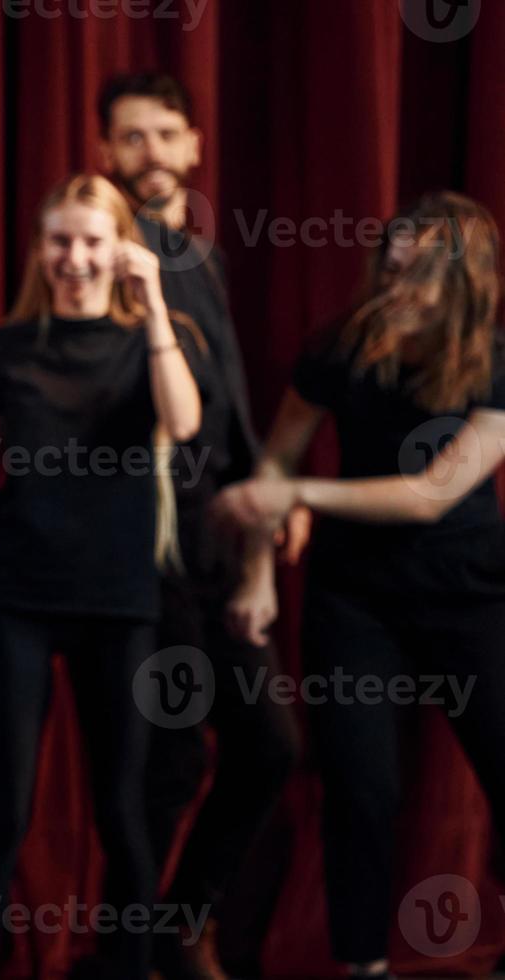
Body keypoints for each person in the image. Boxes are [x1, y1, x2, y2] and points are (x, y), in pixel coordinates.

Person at [0, 174, 203, 980]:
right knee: (3, 811)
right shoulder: (5, 345)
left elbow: (182, 423)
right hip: (18, 599)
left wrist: (150, 309)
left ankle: (129, 964)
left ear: (118, 248)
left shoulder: (151, 337)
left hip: (118, 599)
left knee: (121, 809)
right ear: (40, 247)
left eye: (91, 240)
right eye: (60, 240)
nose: (74, 257)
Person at [216, 192, 505, 980]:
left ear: (463, 284)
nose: (394, 288)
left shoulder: (493, 362)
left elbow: (429, 494)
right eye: (390, 268)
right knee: (359, 790)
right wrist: (256, 578)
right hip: (357, 599)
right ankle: (362, 966)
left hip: (470, 591)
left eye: (417, 276)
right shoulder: (341, 348)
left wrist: (301, 498)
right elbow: (274, 459)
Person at [96, 72, 299, 980]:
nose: (148, 153)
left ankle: (177, 927)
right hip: (147, 544)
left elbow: (234, 407)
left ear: (193, 146)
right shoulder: (107, 252)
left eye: (163, 135)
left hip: (217, 538)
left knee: (267, 746)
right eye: (129, 138)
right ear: (106, 154)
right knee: (167, 761)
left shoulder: (200, 256)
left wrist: (265, 505)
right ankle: (130, 953)